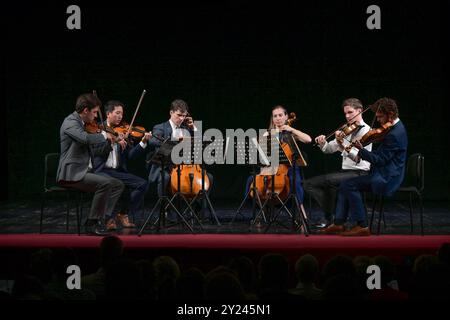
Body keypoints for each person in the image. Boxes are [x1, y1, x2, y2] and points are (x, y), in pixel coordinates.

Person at [321, 97, 408, 236]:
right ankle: (339, 223)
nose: (378, 120)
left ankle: (362, 226)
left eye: (380, 117)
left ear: (390, 114)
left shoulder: (395, 134)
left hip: (388, 178)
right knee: (346, 183)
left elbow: (379, 160)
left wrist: (361, 151)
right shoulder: (394, 128)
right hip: (383, 172)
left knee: (349, 184)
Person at [57, 93, 124, 236]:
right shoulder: (70, 122)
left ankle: (102, 218)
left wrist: (110, 142)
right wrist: (105, 135)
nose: (95, 116)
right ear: (85, 110)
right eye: (94, 112)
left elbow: (96, 149)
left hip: (85, 171)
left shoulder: (85, 125)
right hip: (71, 172)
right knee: (105, 183)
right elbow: (84, 139)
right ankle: (91, 223)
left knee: (117, 184)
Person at [303, 98, 371, 228]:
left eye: (350, 112)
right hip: (345, 172)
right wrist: (323, 143)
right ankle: (333, 218)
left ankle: (332, 216)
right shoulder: (347, 130)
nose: (347, 116)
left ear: (359, 111)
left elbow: (358, 158)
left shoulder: (367, 131)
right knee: (322, 186)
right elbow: (329, 149)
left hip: (359, 172)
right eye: (345, 113)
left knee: (311, 184)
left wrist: (342, 144)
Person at [91, 100, 152, 231]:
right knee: (115, 184)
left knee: (142, 184)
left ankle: (123, 213)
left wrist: (143, 142)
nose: (120, 117)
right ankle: (108, 219)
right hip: (101, 170)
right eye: (117, 113)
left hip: (117, 171)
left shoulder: (122, 132)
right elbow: (96, 151)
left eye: (121, 114)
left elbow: (131, 156)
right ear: (108, 114)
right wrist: (112, 141)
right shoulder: (98, 129)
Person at [146, 99, 213, 213]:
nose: (181, 118)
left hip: (185, 166)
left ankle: (197, 210)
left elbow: (201, 141)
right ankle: (166, 211)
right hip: (166, 165)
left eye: (184, 116)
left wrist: (194, 128)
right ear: (171, 112)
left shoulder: (188, 128)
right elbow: (152, 141)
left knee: (208, 178)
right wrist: (173, 142)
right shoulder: (160, 127)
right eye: (179, 115)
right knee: (165, 178)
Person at [246, 105, 312, 205]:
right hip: (271, 167)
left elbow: (308, 139)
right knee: (251, 180)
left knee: (295, 179)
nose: (278, 118)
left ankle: (301, 212)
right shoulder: (269, 134)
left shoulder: (291, 133)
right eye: (275, 116)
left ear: (286, 117)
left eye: (280, 115)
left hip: (289, 167)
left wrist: (292, 129)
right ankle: (262, 211)